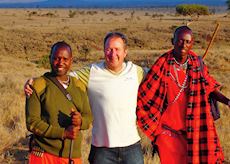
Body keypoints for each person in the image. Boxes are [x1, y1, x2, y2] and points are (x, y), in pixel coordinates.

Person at [25, 32, 145, 164]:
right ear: (104, 51)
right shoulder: (91, 72)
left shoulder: (137, 72)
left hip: (132, 146)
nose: (113, 53)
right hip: (102, 149)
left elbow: (158, 82)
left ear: (125, 52)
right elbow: (61, 76)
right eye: (109, 49)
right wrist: (35, 81)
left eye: (117, 49)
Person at [136, 25, 230, 164]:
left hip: (194, 130)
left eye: (187, 41)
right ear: (172, 41)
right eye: (180, 40)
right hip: (167, 132)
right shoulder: (162, 64)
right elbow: (145, 92)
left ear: (192, 43)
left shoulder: (197, 64)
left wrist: (227, 101)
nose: (184, 45)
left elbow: (210, 87)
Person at [26, 41, 92, 164]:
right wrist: (63, 133)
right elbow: (32, 123)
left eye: (65, 59)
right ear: (50, 58)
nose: (60, 62)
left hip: (72, 156)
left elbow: (88, 117)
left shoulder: (79, 86)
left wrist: (80, 121)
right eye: (56, 58)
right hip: (43, 154)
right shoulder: (38, 85)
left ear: (71, 60)